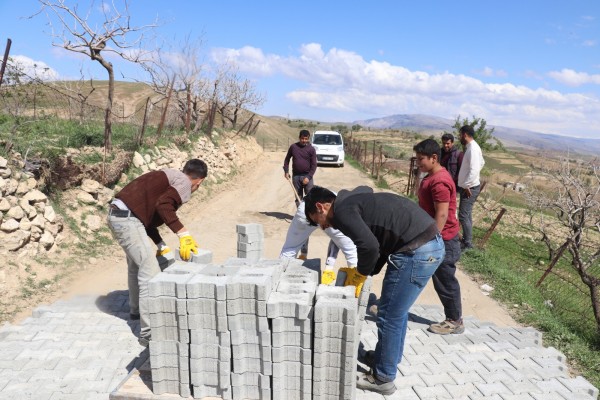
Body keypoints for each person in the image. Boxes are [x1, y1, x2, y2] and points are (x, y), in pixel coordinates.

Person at [304, 186, 444, 395]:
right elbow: (378, 239)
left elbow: (369, 247)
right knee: (397, 311)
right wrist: (369, 272)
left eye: (318, 221)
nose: (323, 227)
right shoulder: (352, 200)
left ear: (321, 207)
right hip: (428, 243)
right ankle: (385, 359)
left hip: (417, 250)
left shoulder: (341, 212)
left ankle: (383, 378)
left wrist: (360, 273)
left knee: (388, 316)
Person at [107, 159, 208, 347]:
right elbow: (164, 206)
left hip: (120, 215)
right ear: (199, 181)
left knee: (136, 266)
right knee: (150, 272)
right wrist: (183, 234)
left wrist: (160, 244)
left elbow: (147, 216)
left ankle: (136, 311)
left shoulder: (169, 176)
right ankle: (148, 333)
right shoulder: (185, 182)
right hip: (127, 220)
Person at [414, 139, 464, 334]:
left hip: (443, 240)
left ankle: (455, 321)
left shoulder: (440, 181)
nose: (418, 163)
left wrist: (431, 239)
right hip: (434, 236)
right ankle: (393, 306)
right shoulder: (431, 177)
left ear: (434, 158)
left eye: (421, 159)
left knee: (445, 280)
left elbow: (442, 214)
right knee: (413, 271)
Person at [279, 200, 358, 284]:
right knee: (350, 251)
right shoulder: (343, 210)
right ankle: (353, 279)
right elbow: (342, 244)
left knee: (290, 249)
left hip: (306, 209)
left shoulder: (342, 206)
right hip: (323, 212)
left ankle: (280, 279)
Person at [457, 125, 485, 250]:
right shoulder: (472, 147)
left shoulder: (473, 149)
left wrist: (468, 184)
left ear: (464, 134)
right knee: (467, 215)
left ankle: (467, 244)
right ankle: (467, 241)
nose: (459, 137)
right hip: (470, 186)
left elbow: (474, 169)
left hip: (470, 188)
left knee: (463, 215)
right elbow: (482, 163)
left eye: (460, 134)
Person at [283, 129, 317, 205]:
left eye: (306, 139)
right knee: (298, 197)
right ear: (299, 137)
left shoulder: (311, 149)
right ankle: (300, 215)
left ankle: (309, 216)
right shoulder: (293, 147)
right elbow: (287, 160)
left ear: (308, 139)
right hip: (296, 177)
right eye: (302, 138)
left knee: (310, 197)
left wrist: (308, 177)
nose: (304, 140)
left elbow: (314, 165)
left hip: (308, 177)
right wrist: (286, 171)